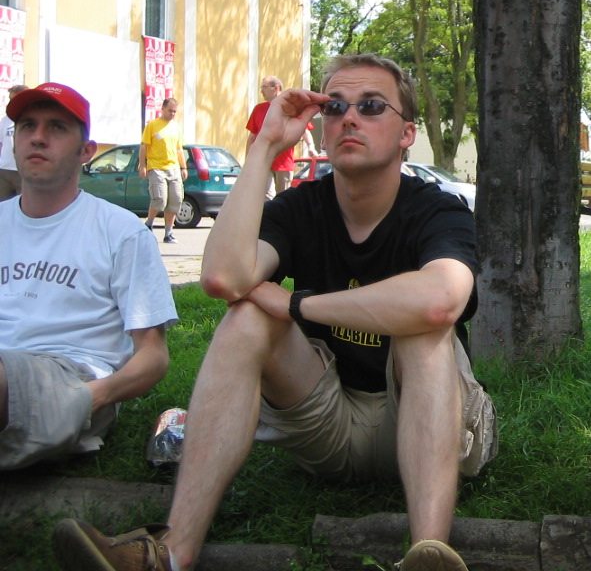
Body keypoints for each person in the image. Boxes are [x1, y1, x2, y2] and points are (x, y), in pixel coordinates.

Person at [54, 54, 498, 571]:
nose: (350, 118)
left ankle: (428, 556)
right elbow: (224, 277)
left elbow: (441, 299)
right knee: (246, 316)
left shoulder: (438, 208)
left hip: (431, 417)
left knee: (422, 329)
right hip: (330, 423)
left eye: (372, 106)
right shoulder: (302, 207)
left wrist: (297, 304)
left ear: (407, 134)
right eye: (335, 107)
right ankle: (171, 553)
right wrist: (264, 146)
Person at [0, 82, 176, 470]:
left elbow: (153, 355)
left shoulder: (120, 232)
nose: (38, 137)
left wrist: (90, 398)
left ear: (86, 151)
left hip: (68, 377)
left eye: (56, 127)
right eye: (27, 126)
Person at [246, 75, 316, 199]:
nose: (261, 91)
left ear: (276, 88)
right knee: (266, 197)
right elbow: (252, 137)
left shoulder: (291, 108)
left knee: (283, 198)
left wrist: (311, 146)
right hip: (264, 161)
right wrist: (248, 160)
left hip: (284, 163)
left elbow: (304, 129)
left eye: (264, 87)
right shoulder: (259, 109)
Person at [139, 98, 188, 244]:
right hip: (157, 168)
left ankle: (168, 233)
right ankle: (149, 224)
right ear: (163, 109)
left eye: (175, 111)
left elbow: (179, 149)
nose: (172, 114)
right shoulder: (152, 125)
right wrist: (143, 165)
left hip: (174, 168)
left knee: (176, 199)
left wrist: (183, 167)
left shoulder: (176, 128)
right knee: (160, 199)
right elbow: (143, 146)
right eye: (170, 110)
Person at [0, 84, 28, 201]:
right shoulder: (5, 120)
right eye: (10, 99)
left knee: (23, 205)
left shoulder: (31, 119)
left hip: (24, 170)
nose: (11, 102)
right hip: (4, 170)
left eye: (15, 99)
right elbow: (1, 143)